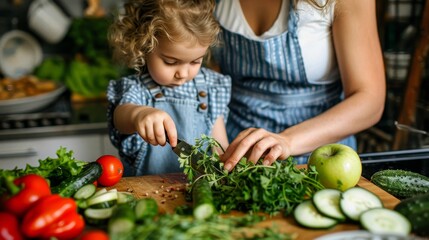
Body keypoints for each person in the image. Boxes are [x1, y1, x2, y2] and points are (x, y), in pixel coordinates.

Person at [212, 0, 386, 170]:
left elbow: (370, 99)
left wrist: (287, 140)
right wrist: (219, 151)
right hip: (237, 154)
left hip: (321, 161)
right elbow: (209, 79)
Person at [106, 0, 231, 176]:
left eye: (195, 61)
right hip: (147, 190)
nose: (182, 73)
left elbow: (220, 146)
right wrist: (138, 115)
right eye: (171, 62)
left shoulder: (211, 88)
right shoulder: (137, 89)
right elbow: (120, 119)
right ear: (145, 46)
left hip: (199, 188)